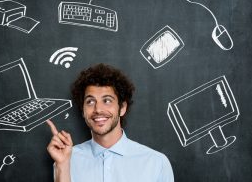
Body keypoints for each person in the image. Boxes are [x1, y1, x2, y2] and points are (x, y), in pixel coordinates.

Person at [46, 63, 174, 182]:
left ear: (122, 108)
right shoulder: (65, 160)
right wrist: (62, 166)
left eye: (107, 100)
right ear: (83, 110)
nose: (98, 109)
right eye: (90, 102)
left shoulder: (157, 163)